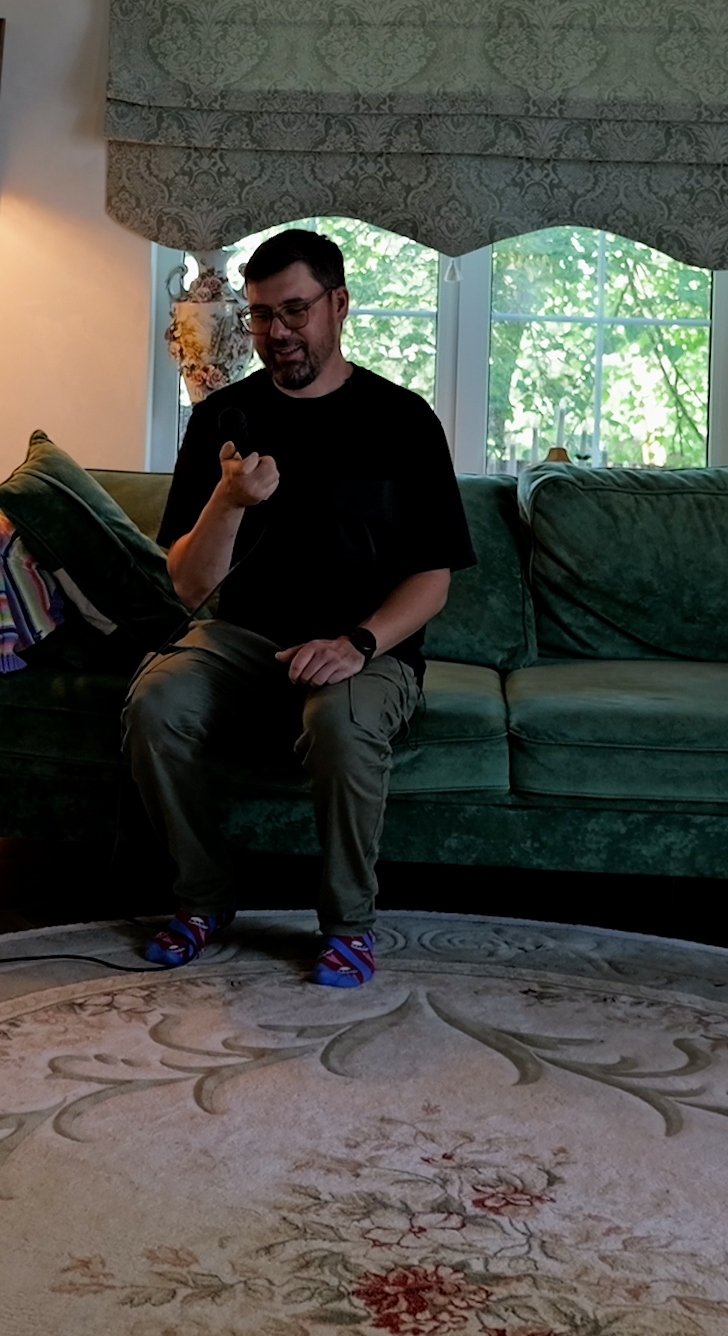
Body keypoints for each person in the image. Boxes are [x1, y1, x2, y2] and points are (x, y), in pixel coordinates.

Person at [123, 227, 473, 988]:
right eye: (259, 314)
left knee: (341, 724)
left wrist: (357, 643)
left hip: (365, 649)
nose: (276, 332)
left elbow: (433, 579)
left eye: (294, 310)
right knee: (156, 702)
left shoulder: (403, 421)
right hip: (242, 639)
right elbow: (186, 588)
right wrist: (228, 501)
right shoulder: (220, 419)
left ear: (339, 304)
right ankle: (203, 899)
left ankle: (348, 925)